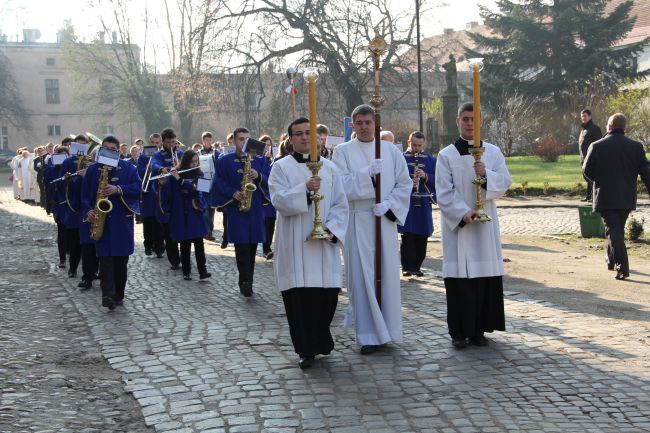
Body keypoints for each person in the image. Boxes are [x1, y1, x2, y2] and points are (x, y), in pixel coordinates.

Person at [269, 117, 349, 369]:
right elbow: (279, 201)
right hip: (295, 245)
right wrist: (304, 189)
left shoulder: (330, 168)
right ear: (290, 139)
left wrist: (332, 228)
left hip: (323, 245)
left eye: (309, 133)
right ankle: (306, 349)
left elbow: (340, 204)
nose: (305, 137)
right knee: (300, 302)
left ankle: (321, 339)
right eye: (299, 134)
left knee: (325, 300)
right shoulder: (281, 167)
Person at [332, 104, 412, 355]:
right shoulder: (342, 152)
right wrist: (366, 174)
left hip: (384, 220)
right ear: (352, 125)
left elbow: (404, 183)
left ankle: (388, 329)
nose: (365, 127)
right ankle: (368, 334)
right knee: (362, 276)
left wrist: (390, 205)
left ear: (375, 124)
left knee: (386, 273)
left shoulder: (390, 151)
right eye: (360, 122)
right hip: (358, 220)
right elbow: (340, 185)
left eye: (368, 122)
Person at [435, 102, 512, 349]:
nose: (469, 123)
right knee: (460, 280)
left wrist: (486, 173)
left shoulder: (493, 152)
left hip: (485, 225)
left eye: (473, 119)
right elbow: (443, 191)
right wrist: (463, 212)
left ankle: (479, 329)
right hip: (460, 227)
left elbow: (505, 182)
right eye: (465, 118)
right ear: (457, 121)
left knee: (483, 278)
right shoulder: (447, 155)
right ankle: (458, 331)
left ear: (480, 122)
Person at [583, 113, 650, 280]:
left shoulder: (597, 146)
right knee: (616, 229)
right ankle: (611, 260)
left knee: (614, 231)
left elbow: (586, 172)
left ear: (609, 126)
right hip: (627, 197)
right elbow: (646, 172)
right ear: (624, 127)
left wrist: (598, 182)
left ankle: (622, 267)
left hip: (605, 195)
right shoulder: (636, 146)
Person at [82, 135, 141, 310]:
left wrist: (118, 189)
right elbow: (85, 196)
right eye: (106, 149)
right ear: (101, 150)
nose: (110, 152)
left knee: (120, 263)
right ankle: (107, 295)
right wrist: (89, 211)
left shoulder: (128, 168)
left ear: (118, 151)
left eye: (113, 150)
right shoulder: (93, 170)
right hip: (102, 222)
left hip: (122, 222)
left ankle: (118, 294)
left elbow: (137, 189)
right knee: (105, 261)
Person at [211, 127, 270, 297]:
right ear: (234, 141)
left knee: (252, 247)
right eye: (240, 139)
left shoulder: (259, 160)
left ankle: (248, 279)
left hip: (256, 208)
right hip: (237, 209)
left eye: (246, 139)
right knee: (241, 246)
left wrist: (258, 175)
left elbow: (270, 179)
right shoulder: (225, 160)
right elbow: (218, 182)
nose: (244, 142)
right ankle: (244, 281)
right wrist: (232, 192)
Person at [167, 150, 211, 280]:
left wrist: (181, 182)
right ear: (186, 162)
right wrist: (163, 182)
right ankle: (186, 271)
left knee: (199, 243)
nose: (194, 164)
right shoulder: (175, 174)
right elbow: (171, 193)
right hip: (181, 213)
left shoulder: (200, 174)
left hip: (195, 212)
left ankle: (202, 271)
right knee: (185, 244)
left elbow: (200, 189)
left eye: (196, 161)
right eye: (192, 161)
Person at [398, 131, 436, 277]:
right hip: (407, 203)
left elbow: (438, 178)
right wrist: (409, 180)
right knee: (407, 235)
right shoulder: (401, 158)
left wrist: (425, 176)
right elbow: (396, 178)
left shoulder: (430, 159)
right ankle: (406, 266)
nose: (417, 148)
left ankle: (417, 266)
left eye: (420, 145)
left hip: (423, 203)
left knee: (422, 235)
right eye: (414, 145)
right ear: (409, 142)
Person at [150, 128, 183, 270]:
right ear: (163, 142)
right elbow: (154, 165)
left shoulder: (180, 153)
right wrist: (161, 169)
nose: (171, 145)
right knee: (168, 230)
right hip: (166, 195)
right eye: (168, 142)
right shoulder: (158, 155)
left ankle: (185, 255)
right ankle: (174, 259)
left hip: (180, 194)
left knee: (181, 227)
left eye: (173, 142)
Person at [60, 134, 91, 279]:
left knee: (89, 242)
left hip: (87, 205)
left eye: (84, 144)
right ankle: (72, 268)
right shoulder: (67, 161)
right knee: (74, 241)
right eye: (78, 144)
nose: (81, 147)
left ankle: (90, 270)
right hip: (73, 205)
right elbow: (60, 182)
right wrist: (67, 179)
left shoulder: (91, 162)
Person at [139, 133, 165, 257]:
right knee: (148, 221)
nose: (155, 145)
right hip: (148, 193)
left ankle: (159, 247)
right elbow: (139, 172)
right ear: (150, 142)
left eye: (157, 143)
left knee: (159, 221)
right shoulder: (143, 156)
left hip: (160, 192)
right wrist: (147, 170)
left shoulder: (162, 155)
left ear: (160, 142)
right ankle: (148, 246)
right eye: (153, 143)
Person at [200, 131, 220, 242]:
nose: (208, 142)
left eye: (209, 140)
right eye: (206, 140)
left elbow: (219, 166)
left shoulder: (216, 153)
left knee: (212, 208)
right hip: (202, 182)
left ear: (211, 141)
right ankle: (206, 231)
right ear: (203, 141)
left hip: (213, 182)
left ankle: (210, 230)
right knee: (204, 207)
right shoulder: (198, 152)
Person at [578, 109, 603, 202]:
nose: (583, 118)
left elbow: (599, 143)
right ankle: (589, 196)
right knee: (586, 176)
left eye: (585, 116)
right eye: (582, 116)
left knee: (591, 177)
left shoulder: (594, 128)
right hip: (583, 158)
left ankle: (594, 196)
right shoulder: (584, 129)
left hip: (591, 158)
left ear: (590, 116)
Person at [259, 134, 276, 260]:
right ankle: (265, 248)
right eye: (265, 145)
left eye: (269, 145)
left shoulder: (274, 160)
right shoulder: (259, 159)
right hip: (262, 195)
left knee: (270, 224)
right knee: (264, 223)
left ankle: (267, 248)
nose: (267, 148)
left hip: (271, 197)